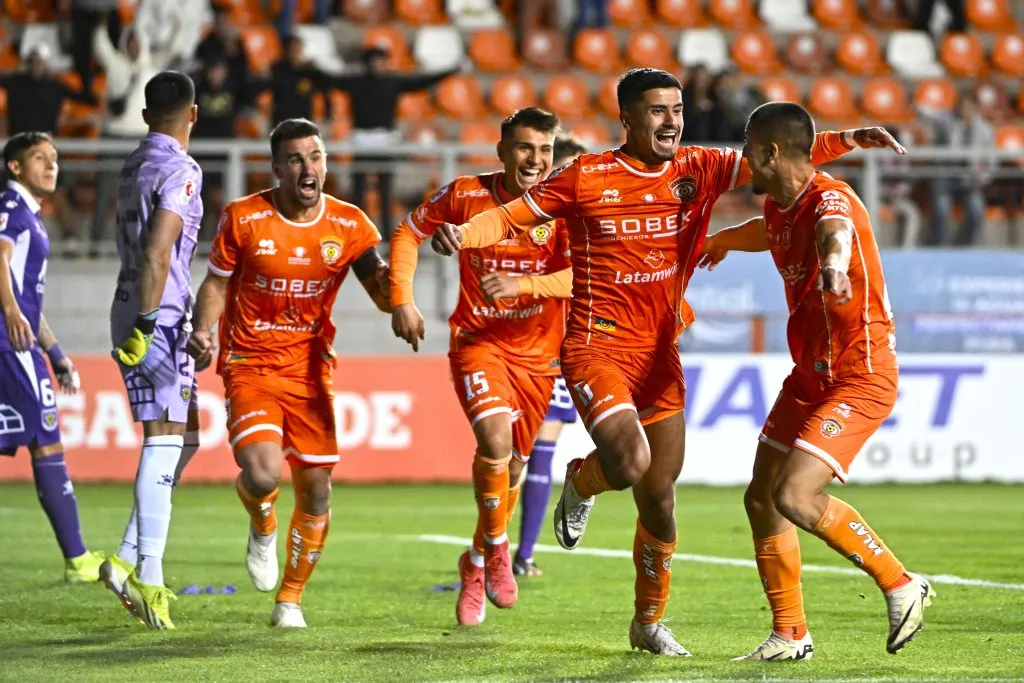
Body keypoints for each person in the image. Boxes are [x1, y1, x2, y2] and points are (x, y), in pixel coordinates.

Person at [429, 67, 905, 654]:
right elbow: (512, 215)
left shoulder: (697, 167)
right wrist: (464, 235)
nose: (672, 121)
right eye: (657, 111)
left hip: (659, 353)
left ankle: (647, 623)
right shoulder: (586, 176)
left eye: (677, 110)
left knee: (660, 495)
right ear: (627, 119)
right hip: (595, 346)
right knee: (628, 462)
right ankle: (581, 480)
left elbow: (785, 159)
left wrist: (851, 139)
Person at [697, 101, 934, 661]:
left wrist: (833, 266)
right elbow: (769, 230)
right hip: (809, 376)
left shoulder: (830, 198)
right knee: (762, 500)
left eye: (750, 149)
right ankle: (790, 634)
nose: (743, 161)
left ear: (771, 152)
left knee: (795, 495)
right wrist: (726, 239)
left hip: (859, 374)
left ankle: (901, 583)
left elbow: (836, 230)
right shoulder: (781, 205)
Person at [186, 118, 392, 628]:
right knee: (260, 472)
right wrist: (204, 328)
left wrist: (405, 288)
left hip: (310, 369)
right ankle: (261, 521)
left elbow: (383, 293)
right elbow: (215, 284)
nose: (309, 168)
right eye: (296, 159)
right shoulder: (243, 217)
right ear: (277, 167)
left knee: (318, 490)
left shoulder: (350, 225)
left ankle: (290, 599)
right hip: (250, 361)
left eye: (316, 157)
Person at [389, 107, 571, 626]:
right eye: (524, 148)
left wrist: (525, 285)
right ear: (502, 151)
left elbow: (584, 278)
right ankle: (496, 549)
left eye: (544, 150)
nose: (534, 160)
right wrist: (403, 297)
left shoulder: (562, 209)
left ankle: (473, 563)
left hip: (539, 357)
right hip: (478, 343)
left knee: (512, 468)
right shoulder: (465, 194)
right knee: (493, 441)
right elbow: (405, 233)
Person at [102, 71, 205, 630]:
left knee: (186, 436)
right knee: (164, 437)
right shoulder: (181, 170)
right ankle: (150, 572)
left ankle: (121, 558)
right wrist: (148, 321)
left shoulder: (133, 163)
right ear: (193, 114)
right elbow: (159, 249)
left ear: (146, 116)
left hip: (139, 306)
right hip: (156, 314)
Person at [0, 131, 103, 583]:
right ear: (15, 167)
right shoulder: (10, 208)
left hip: (19, 340)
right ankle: (77, 559)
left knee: (44, 436)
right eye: (39, 157)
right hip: (8, 343)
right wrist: (7, 310)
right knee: (46, 438)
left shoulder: (33, 217)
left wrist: (56, 352)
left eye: (55, 157)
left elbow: (29, 302)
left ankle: (76, 558)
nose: (51, 164)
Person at [512, 134, 587, 578]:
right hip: (514, 343)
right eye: (567, 168)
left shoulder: (581, 222)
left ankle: (520, 555)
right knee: (509, 453)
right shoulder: (536, 217)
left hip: (561, 345)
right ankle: (498, 553)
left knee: (541, 449)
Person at [333, 46, 459, 239]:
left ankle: (384, 235)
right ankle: (356, 234)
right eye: (374, 60)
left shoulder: (392, 82)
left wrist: (451, 70)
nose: (378, 65)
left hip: (386, 141)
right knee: (359, 190)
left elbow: (421, 81)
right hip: (361, 140)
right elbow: (327, 80)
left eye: (381, 60)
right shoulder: (356, 83)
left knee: (385, 190)